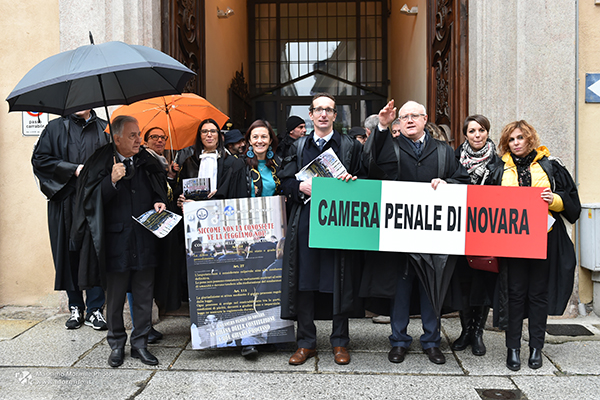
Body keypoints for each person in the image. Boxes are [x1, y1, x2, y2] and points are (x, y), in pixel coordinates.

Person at [360, 100, 469, 365]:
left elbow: (463, 180)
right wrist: (383, 126)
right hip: (400, 235)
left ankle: (431, 341)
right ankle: (399, 341)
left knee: (431, 288)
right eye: (404, 117)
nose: (409, 120)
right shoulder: (391, 147)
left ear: (424, 119)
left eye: (414, 116)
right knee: (402, 288)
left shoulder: (444, 151)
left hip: (433, 236)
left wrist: (447, 183)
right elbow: (371, 166)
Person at [72, 115, 168, 368]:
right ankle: (116, 344)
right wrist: (111, 181)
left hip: (145, 239)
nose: (139, 140)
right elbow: (88, 203)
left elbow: (159, 188)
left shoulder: (147, 160)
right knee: (114, 298)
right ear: (117, 139)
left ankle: (140, 344)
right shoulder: (100, 161)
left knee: (144, 294)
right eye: (132, 135)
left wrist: (160, 202)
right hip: (116, 242)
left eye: (139, 134)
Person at [278, 93, 363, 366]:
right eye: (318, 110)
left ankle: (340, 342)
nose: (324, 114)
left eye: (329, 110)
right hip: (304, 221)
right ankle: (306, 343)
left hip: (338, 222)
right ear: (311, 115)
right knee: (304, 281)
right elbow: (285, 180)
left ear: (335, 116)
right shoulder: (298, 146)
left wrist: (353, 181)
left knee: (338, 280)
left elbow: (365, 178)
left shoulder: (349, 146)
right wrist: (298, 187)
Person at [489, 120, 580, 371]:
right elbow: (486, 205)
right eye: (511, 139)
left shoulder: (551, 167)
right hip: (513, 242)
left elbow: (573, 205)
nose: (516, 143)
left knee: (538, 295)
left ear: (530, 139)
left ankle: (536, 349)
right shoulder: (498, 169)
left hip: (545, 238)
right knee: (515, 295)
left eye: (520, 138)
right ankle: (514, 349)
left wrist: (555, 199)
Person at [31, 109, 109, 331]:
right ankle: (76, 306)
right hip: (66, 200)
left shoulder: (104, 128)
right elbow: (39, 159)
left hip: (96, 201)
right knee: (68, 253)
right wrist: (73, 170)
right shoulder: (55, 128)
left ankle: (95, 309)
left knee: (95, 252)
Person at [451, 115, 500, 356]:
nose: (477, 135)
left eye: (481, 130)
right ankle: (465, 331)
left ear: (488, 132)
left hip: (486, 231)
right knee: (463, 281)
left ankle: (478, 332)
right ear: (465, 134)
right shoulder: (454, 158)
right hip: (459, 230)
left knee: (483, 280)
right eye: (472, 131)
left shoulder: (498, 163)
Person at [176, 118, 246, 208]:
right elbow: (180, 190)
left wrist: (217, 195)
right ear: (200, 136)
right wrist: (180, 200)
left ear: (219, 136)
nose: (209, 135)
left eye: (213, 131)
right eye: (204, 131)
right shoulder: (189, 162)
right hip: (193, 215)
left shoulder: (232, 162)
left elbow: (236, 194)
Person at [244, 119, 281, 197]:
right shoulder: (241, 165)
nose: (260, 141)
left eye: (264, 137)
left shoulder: (278, 164)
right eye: (255, 137)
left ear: (270, 140)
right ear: (250, 141)